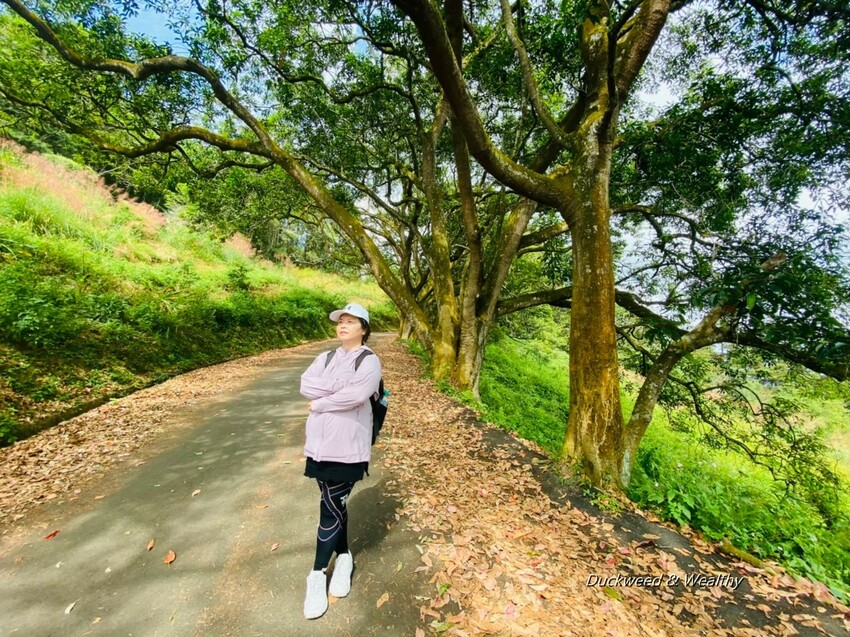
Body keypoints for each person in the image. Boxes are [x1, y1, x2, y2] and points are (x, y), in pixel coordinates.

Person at [299, 302, 382, 620]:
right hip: (318, 447)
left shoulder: (369, 360)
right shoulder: (325, 357)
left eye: (350, 321)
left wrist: (321, 403)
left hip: (348, 449)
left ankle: (317, 573)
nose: (343, 325)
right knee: (334, 504)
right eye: (340, 321)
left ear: (363, 328)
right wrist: (338, 388)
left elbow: (357, 396)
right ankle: (345, 556)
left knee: (330, 507)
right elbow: (305, 385)